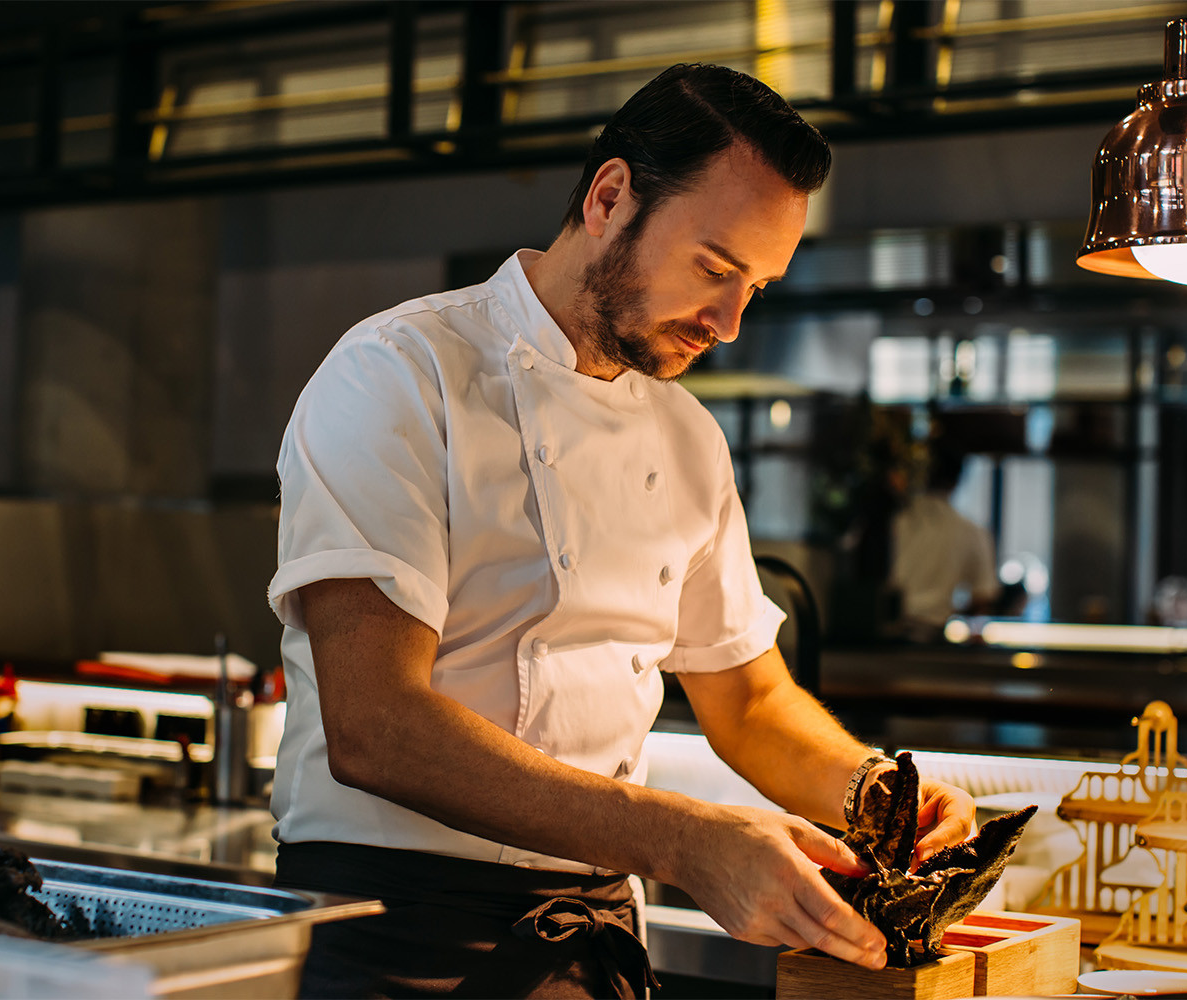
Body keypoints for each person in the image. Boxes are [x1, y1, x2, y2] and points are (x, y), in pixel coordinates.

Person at [267, 63, 975, 999]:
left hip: (593, 941)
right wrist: (682, 840)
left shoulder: (686, 437)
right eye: (714, 268)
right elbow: (376, 726)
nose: (727, 324)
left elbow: (751, 705)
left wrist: (877, 795)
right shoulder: (398, 375)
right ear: (609, 198)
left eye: (754, 290)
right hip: (398, 937)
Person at [888, 447, 1006, 641]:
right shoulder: (971, 531)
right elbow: (983, 597)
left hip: (885, 633)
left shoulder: (896, 520)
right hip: (931, 634)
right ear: (958, 480)